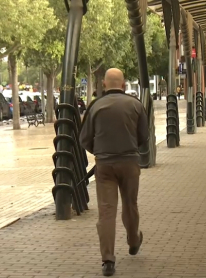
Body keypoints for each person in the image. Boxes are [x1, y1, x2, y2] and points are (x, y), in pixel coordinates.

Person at [79, 68, 149, 276]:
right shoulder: (135, 105)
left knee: (107, 211)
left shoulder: (95, 106)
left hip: (105, 166)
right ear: (124, 84)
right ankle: (134, 240)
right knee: (130, 204)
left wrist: (101, 152)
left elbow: (84, 139)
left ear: (104, 85)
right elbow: (144, 136)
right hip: (129, 163)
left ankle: (108, 259)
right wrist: (128, 147)